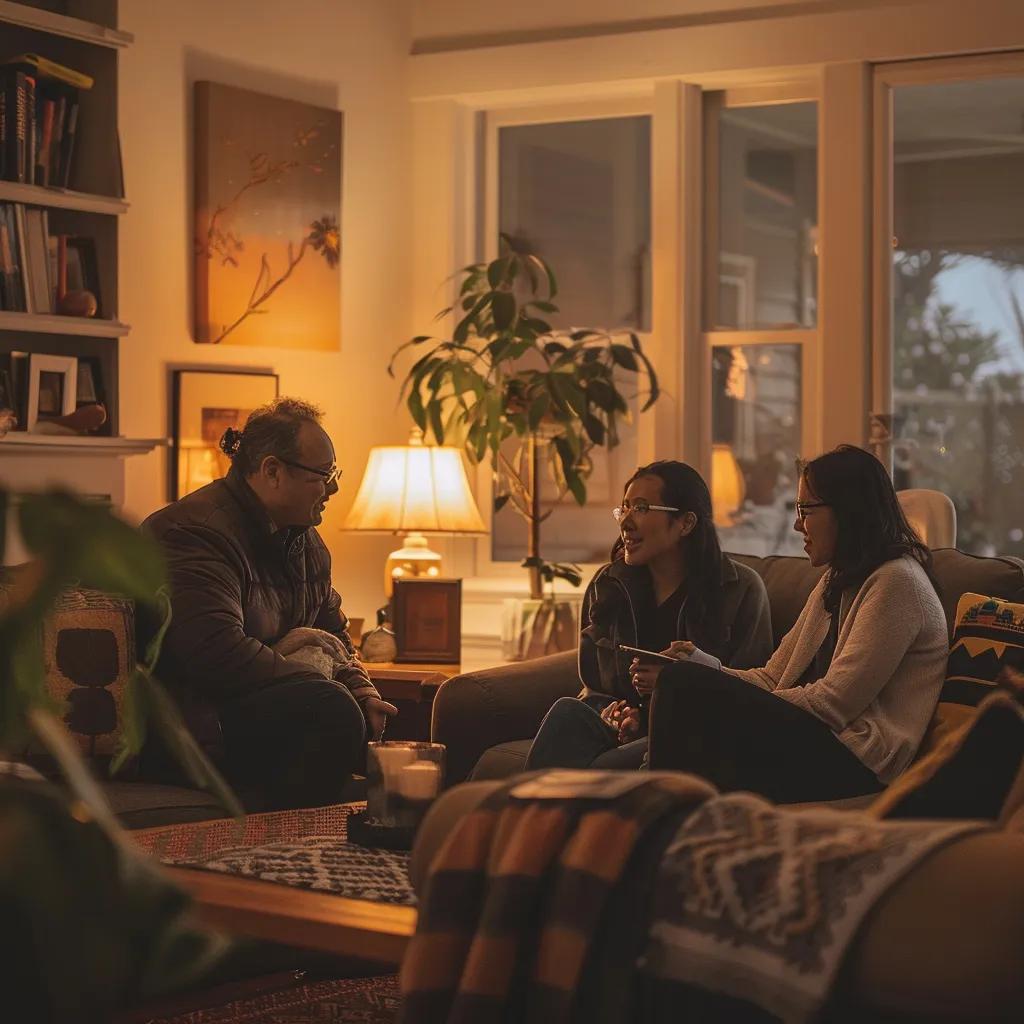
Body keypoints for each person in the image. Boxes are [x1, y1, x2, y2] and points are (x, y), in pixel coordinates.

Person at [648, 444, 949, 803]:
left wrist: (732, 706)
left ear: (848, 510)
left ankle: (655, 816)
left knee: (682, 686)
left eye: (805, 510)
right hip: (818, 741)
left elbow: (834, 703)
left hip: (859, 763)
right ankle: (667, 811)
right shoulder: (837, 580)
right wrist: (705, 667)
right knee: (682, 679)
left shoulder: (898, 583)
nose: (796, 525)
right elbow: (772, 678)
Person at [141, 397, 396, 811]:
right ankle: (289, 837)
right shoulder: (194, 533)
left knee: (383, 720)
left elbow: (333, 635)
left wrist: (361, 690)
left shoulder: (306, 542)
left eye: (334, 474)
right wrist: (325, 685)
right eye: (323, 475)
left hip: (259, 710)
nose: (333, 488)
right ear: (272, 471)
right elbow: (216, 654)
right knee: (330, 710)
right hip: (193, 725)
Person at [522, 460, 773, 772]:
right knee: (567, 713)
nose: (625, 522)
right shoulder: (607, 585)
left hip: (694, 734)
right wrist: (618, 714)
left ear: (685, 523)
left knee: (599, 769)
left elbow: (751, 695)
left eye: (641, 508)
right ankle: (523, 804)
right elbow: (594, 687)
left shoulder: (740, 590)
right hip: (624, 734)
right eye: (624, 507)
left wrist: (674, 688)